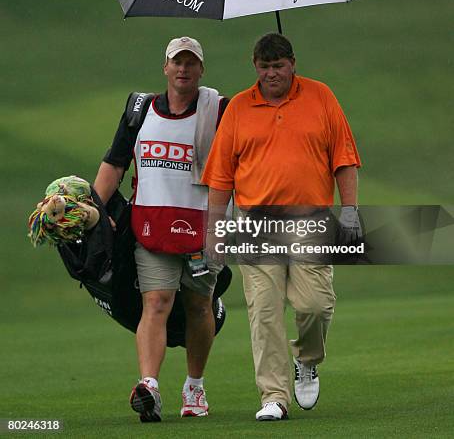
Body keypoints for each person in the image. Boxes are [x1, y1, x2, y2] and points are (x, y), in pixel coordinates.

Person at [201, 33, 361, 421]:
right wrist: (214, 231)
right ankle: (273, 396)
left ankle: (307, 359)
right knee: (265, 311)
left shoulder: (321, 96)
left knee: (314, 306)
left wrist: (351, 211)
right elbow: (221, 177)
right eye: (265, 67)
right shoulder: (239, 107)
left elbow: (344, 156)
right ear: (255, 66)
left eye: (279, 66)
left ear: (293, 64)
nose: (272, 74)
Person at [93, 36, 227, 423]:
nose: (183, 69)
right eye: (176, 62)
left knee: (199, 305)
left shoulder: (218, 110)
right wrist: (93, 213)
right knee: (156, 303)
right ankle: (148, 385)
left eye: (191, 63)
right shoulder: (140, 111)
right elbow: (115, 165)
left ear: (201, 69)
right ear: (165, 67)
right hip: (150, 228)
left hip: (204, 230)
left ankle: (194, 387)